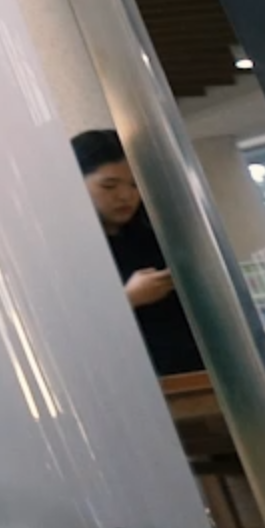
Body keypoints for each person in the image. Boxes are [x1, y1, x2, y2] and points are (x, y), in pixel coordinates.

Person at [73, 128, 206, 377]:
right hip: (123, 383)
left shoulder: (158, 236)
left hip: (192, 374)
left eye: (135, 185)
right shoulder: (64, 251)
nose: (126, 196)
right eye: (109, 185)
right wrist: (127, 299)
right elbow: (63, 331)